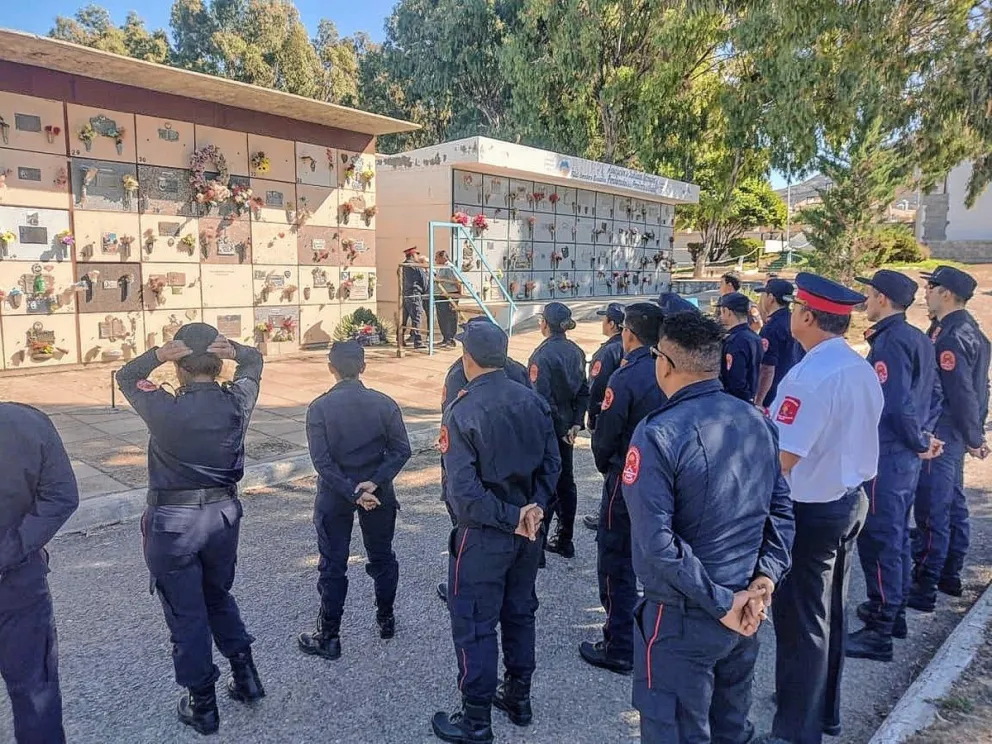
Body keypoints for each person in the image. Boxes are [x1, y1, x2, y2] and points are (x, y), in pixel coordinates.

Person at [624, 311, 795, 743]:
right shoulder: (756, 420)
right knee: (730, 728)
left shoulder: (658, 433)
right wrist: (764, 580)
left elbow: (658, 544)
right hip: (744, 612)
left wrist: (726, 600)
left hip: (686, 618)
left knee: (677, 731)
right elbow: (781, 513)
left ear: (664, 362)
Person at [116, 323, 266, 736]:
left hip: (173, 524)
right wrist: (236, 349)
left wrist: (158, 356)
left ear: (179, 367)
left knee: (187, 612)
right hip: (221, 517)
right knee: (217, 596)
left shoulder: (163, 406)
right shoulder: (237, 400)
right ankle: (247, 676)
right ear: (219, 364)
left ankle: (203, 705)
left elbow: (126, 376)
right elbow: (254, 362)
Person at [766, 273, 883, 744]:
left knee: (801, 626)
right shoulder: (856, 366)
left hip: (811, 512)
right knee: (830, 613)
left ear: (808, 316)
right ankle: (823, 711)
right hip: (850, 501)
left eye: (797, 308)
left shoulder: (810, 377)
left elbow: (783, 460)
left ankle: (796, 732)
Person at [431, 321, 562, 743]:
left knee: (475, 623)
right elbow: (553, 465)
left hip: (485, 535)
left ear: (467, 358)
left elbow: (464, 495)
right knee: (520, 614)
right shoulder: (533, 400)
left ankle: (476, 721)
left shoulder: (463, 409)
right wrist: (534, 510)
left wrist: (514, 515)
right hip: (528, 531)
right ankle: (518, 697)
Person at [845, 270, 942, 661]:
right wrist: (924, 437)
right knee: (898, 535)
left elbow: (896, 404)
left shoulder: (890, 343)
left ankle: (880, 630)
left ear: (882, 299)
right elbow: (933, 395)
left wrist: (919, 440)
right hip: (904, 455)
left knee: (881, 539)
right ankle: (893, 611)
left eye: (869, 295)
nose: (866, 302)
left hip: (888, 455)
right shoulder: (916, 336)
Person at [298, 341, 412, 659]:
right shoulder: (384, 403)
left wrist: (352, 491)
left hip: (336, 494)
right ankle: (385, 619)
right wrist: (373, 483)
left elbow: (321, 462)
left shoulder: (319, 408)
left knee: (333, 564)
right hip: (378, 492)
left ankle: (330, 635)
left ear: (330, 367)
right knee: (382, 556)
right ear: (363, 366)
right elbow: (401, 449)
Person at [579, 303, 667, 675]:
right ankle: (653, 635)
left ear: (628, 333)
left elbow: (606, 435)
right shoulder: (669, 369)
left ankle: (619, 646)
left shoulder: (625, 376)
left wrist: (607, 468)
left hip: (626, 478)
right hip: (664, 477)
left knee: (616, 561)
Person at [909, 266, 990, 611]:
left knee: (933, 508)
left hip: (943, 429)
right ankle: (949, 573)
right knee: (953, 503)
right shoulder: (958, 329)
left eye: (932, 286)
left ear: (946, 293)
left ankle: (926, 584)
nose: (926, 291)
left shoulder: (952, 336)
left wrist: (974, 436)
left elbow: (963, 392)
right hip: (953, 429)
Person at [435, 317, 533, 602]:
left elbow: (451, 420)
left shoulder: (459, 374)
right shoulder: (516, 369)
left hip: (474, 467)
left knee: (470, 533)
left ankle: (470, 586)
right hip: (516, 468)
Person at [0, 403, 78, 743]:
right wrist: (12, 549)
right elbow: (61, 496)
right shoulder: (27, 421)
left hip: (18, 581)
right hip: (18, 581)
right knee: (35, 695)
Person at [528, 302, 590, 559]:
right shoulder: (576, 351)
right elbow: (583, 390)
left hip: (548, 429)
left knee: (544, 483)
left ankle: (538, 546)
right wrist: (575, 423)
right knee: (566, 483)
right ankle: (565, 538)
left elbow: (540, 399)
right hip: (567, 428)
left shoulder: (541, 355)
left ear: (545, 324)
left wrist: (563, 426)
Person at [582, 302, 626, 532]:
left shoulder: (609, 350)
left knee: (608, 467)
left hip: (606, 413)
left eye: (604, 319)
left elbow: (597, 386)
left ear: (612, 324)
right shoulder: (632, 346)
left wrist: (591, 414)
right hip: (626, 416)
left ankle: (606, 514)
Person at [754, 278, 805, 411]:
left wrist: (758, 401)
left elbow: (767, 368)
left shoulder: (771, 328)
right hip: (793, 387)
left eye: (764, 295)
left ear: (771, 298)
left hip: (772, 395)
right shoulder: (794, 321)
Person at [717, 291, 764, 403]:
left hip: (734, 402)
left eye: (721, 312)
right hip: (749, 398)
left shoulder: (735, 341)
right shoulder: (755, 337)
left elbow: (736, 380)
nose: (720, 316)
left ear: (728, 312)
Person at [401, 246, 429, 349]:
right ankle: (418, 341)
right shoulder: (415, 265)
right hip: (415, 294)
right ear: (413, 255)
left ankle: (400, 338)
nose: (418, 256)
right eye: (417, 254)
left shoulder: (404, 265)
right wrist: (426, 291)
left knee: (403, 318)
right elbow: (424, 281)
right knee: (417, 318)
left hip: (405, 295)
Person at [434, 250, 462, 347]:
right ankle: (446, 338)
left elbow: (457, 281)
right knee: (442, 317)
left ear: (443, 257)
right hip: (441, 295)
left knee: (450, 317)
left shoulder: (449, 267)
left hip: (449, 294)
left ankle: (450, 339)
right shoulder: (441, 267)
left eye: (437, 257)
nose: (435, 259)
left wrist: (459, 294)